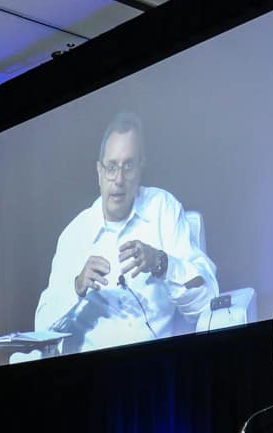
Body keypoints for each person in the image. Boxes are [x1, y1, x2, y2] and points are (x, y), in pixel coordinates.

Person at [34, 112, 219, 352]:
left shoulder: (163, 209)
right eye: (111, 167)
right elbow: (42, 328)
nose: (119, 179)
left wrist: (161, 262)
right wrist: (77, 287)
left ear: (141, 169)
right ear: (99, 172)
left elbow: (207, 300)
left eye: (128, 166)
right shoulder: (74, 234)